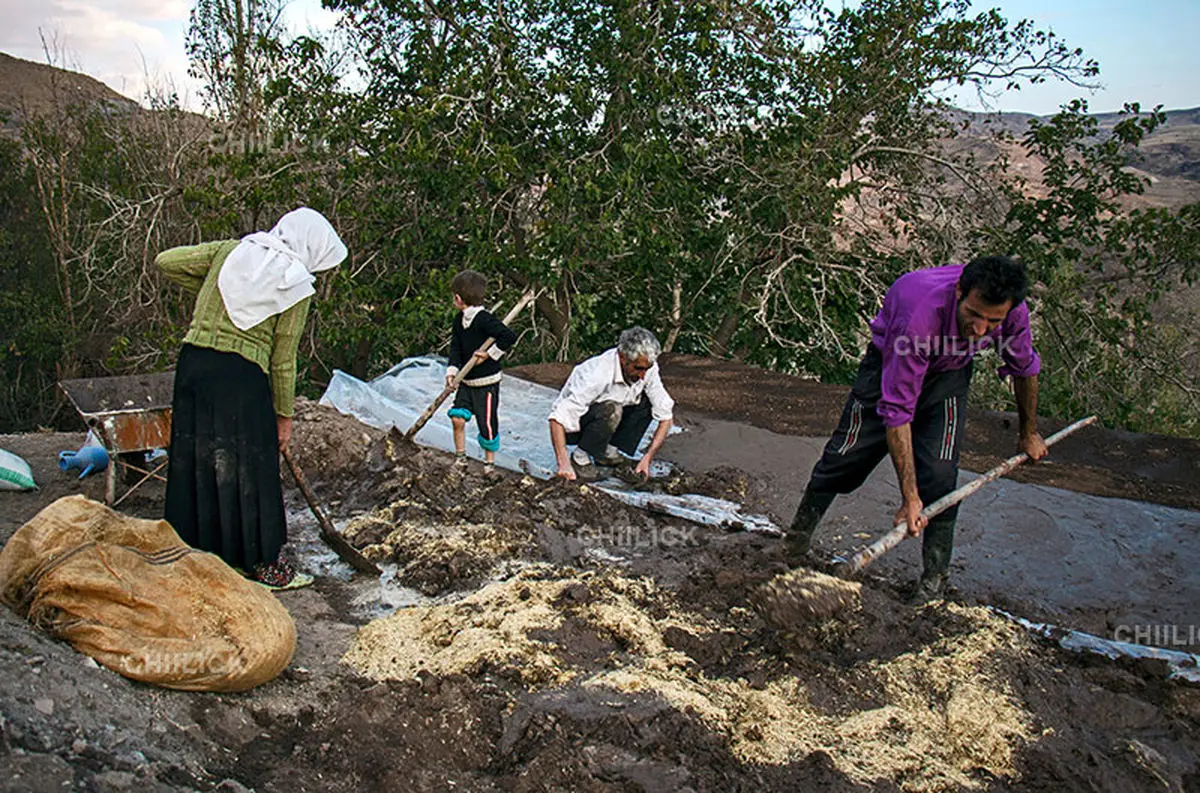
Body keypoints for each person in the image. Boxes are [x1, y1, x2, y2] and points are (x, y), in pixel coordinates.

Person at [787, 255, 1049, 601]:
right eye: (973, 315)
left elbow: (1024, 366)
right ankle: (795, 542)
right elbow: (897, 412)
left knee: (940, 477)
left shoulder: (1014, 312)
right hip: (887, 366)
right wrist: (909, 499)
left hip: (949, 375)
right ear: (959, 292)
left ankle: (934, 581)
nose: (981, 329)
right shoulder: (919, 315)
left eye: (992, 321)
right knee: (843, 460)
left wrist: (1028, 432)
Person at [156, 207, 347, 590]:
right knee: (251, 467)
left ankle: (190, 552)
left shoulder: (230, 252)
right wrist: (284, 416)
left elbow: (166, 261)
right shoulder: (294, 284)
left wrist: (219, 284)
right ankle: (259, 561)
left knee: (196, 457)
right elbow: (282, 359)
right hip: (242, 378)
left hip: (194, 365)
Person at [549, 327, 675, 481]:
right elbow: (558, 418)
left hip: (613, 415)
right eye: (638, 369)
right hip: (580, 426)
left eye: (646, 369)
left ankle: (608, 453)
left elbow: (666, 417)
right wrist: (564, 464)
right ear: (623, 358)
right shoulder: (596, 374)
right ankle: (579, 457)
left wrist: (647, 458)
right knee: (612, 410)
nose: (643, 375)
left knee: (648, 401)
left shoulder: (648, 368)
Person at [445, 270, 518, 475]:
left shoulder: (485, 319)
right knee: (457, 417)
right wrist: (452, 372)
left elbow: (508, 336)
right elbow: (456, 347)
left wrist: (490, 354)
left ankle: (489, 465)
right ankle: (460, 459)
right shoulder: (458, 320)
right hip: (466, 382)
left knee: (486, 423)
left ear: (459, 298)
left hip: (486, 383)